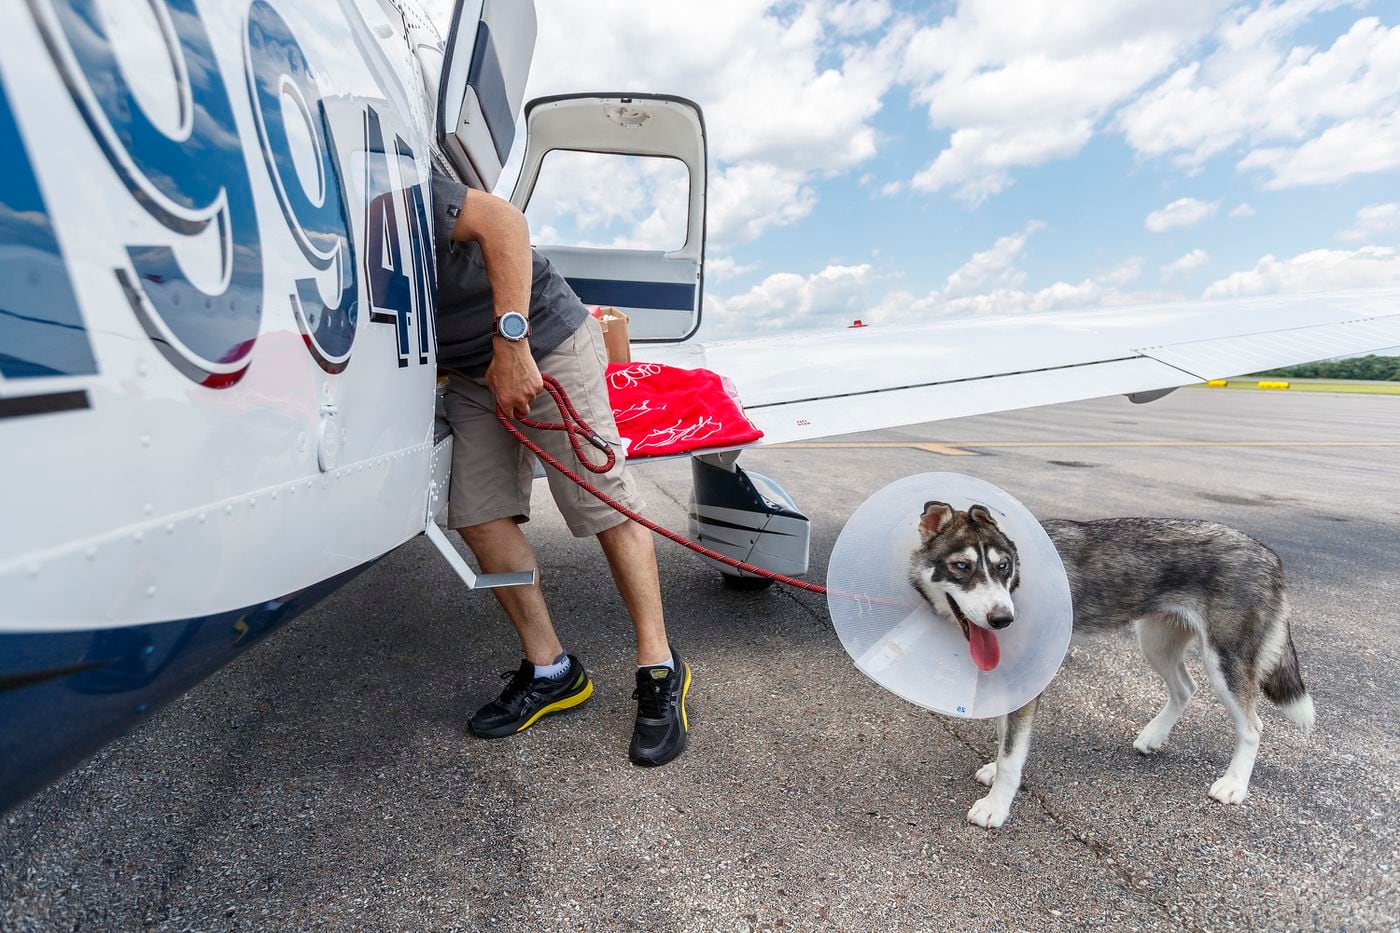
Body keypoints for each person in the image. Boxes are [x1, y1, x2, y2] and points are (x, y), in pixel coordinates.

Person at [430, 165, 690, 767]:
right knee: (478, 515)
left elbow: (503, 220)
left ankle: (659, 665)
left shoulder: (384, 185)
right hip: (467, 372)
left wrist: (511, 344)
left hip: (543, 340)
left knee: (603, 502)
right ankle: (551, 670)